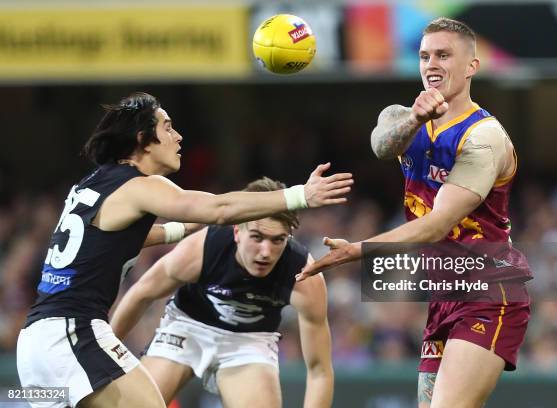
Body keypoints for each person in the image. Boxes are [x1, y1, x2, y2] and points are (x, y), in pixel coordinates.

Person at [16, 92, 350, 408]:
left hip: (39, 345)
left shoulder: (95, 184)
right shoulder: (138, 185)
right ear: (142, 140)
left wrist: (178, 231)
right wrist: (300, 196)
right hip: (74, 336)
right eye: (167, 128)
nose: (178, 137)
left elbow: (115, 242)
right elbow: (218, 209)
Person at [296, 17, 532, 408]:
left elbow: (437, 223)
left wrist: (357, 251)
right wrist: (417, 117)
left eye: (443, 55)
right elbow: (382, 145)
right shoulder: (401, 116)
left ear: (472, 66)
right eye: (424, 56)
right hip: (444, 291)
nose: (431, 64)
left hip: (490, 291)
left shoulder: (483, 137)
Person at [110, 177, 333, 408]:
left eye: (277, 240)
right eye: (257, 237)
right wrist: (104, 355)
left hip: (250, 341)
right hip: (187, 327)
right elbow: (141, 294)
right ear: (237, 231)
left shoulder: (304, 275)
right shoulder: (201, 249)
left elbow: (320, 371)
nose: (266, 252)